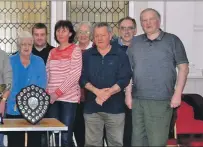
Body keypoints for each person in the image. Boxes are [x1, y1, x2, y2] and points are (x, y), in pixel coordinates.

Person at [127, 8, 189, 146]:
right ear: (141, 24)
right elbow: (129, 71)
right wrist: (128, 95)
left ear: (159, 21)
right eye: (144, 20)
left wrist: (177, 94)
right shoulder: (135, 42)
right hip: (138, 101)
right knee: (137, 142)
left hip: (161, 100)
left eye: (151, 19)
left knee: (156, 142)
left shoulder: (172, 40)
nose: (147, 23)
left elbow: (183, 68)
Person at [80, 22, 132, 147]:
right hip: (92, 107)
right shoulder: (87, 55)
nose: (99, 38)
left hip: (115, 109)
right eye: (96, 35)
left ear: (110, 35)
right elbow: (81, 78)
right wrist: (98, 92)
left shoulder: (121, 55)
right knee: (92, 144)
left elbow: (125, 78)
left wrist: (107, 93)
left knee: (115, 144)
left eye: (103, 35)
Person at [5, 30, 47, 147]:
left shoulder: (39, 61)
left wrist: (33, 102)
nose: (26, 47)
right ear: (18, 46)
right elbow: (7, 84)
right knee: (14, 142)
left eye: (29, 44)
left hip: (34, 108)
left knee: (34, 142)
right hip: (14, 108)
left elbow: (42, 84)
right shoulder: (10, 61)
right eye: (23, 44)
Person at [45, 20, 82, 147]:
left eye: (64, 30)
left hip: (69, 99)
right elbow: (47, 74)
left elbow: (74, 75)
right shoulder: (52, 52)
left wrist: (57, 93)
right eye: (58, 30)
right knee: (55, 135)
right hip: (52, 99)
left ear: (70, 33)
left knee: (66, 136)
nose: (60, 33)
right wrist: (47, 93)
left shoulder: (75, 50)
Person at [114, 16, 137, 147]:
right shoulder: (111, 47)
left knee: (134, 132)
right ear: (119, 30)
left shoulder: (142, 46)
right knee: (118, 135)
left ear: (135, 30)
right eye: (123, 28)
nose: (126, 31)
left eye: (130, 28)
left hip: (138, 95)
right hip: (116, 95)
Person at [73, 20, 93, 147]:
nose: (83, 35)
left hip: (92, 95)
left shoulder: (96, 49)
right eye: (80, 32)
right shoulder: (72, 50)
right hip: (75, 97)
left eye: (86, 32)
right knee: (78, 129)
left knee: (92, 131)